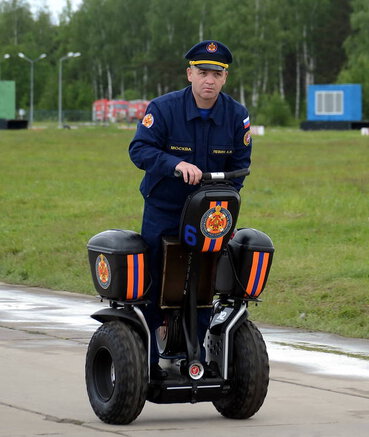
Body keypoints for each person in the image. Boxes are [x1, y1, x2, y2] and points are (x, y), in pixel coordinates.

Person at [129, 40, 252, 379]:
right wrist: (175, 164)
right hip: (165, 209)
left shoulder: (237, 115)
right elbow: (139, 150)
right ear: (190, 74)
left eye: (216, 73)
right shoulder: (164, 109)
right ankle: (147, 365)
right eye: (202, 73)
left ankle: (195, 357)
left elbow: (242, 166)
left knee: (203, 284)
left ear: (225, 77)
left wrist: (222, 204)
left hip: (210, 215)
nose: (208, 80)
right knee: (155, 283)